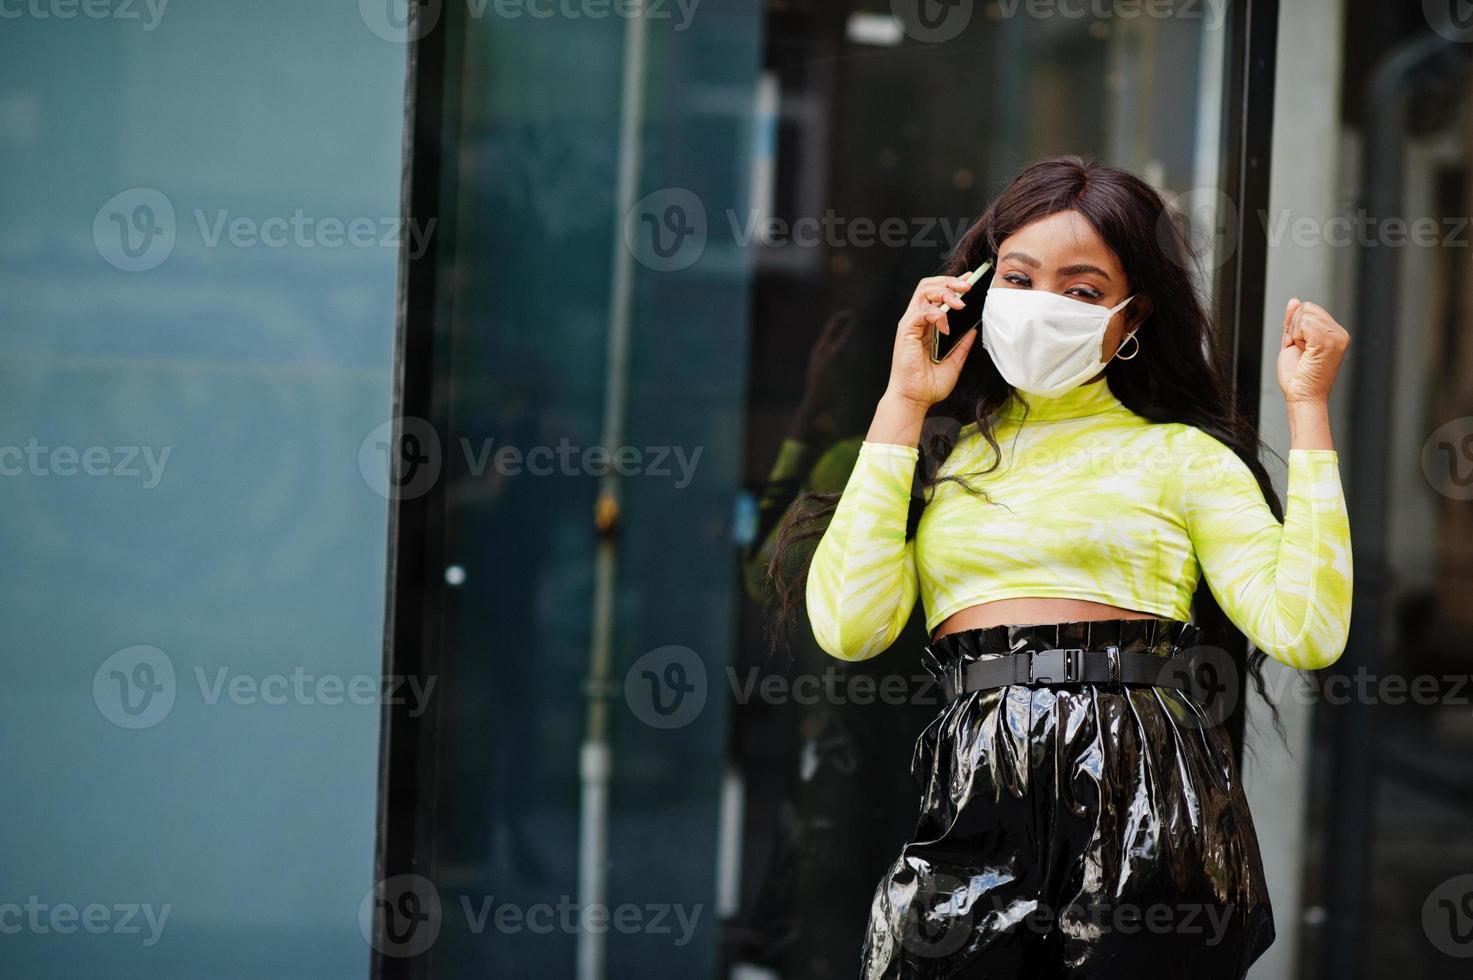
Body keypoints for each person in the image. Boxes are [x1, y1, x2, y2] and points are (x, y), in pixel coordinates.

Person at [765, 156, 1352, 979]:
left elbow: (1308, 630)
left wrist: (1308, 409)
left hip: (1139, 783)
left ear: (1130, 314)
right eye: (1018, 277)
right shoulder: (938, 455)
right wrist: (903, 400)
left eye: (1080, 290)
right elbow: (850, 628)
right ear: (977, 285)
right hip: (976, 774)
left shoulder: (1182, 457)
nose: (1041, 306)